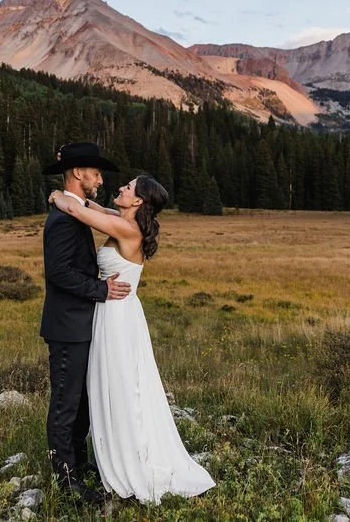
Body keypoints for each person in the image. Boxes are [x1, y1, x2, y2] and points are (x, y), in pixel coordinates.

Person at [49, 173, 216, 504]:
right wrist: (74, 198)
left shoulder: (128, 229)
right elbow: (91, 205)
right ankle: (111, 451)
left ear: (138, 201)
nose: (121, 188)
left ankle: (129, 458)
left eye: (128, 187)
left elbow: (80, 212)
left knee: (122, 386)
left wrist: (56, 196)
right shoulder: (120, 219)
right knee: (117, 384)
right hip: (115, 312)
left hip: (117, 316)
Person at [40, 142, 128, 504]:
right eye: (95, 173)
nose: (100, 179)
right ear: (78, 173)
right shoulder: (62, 219)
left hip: (81, 325)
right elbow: (58, 272)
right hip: (66, 326)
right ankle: (65, 480)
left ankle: (78, 463)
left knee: (82, 401)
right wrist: (100, 289)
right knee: (66, 402)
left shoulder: (72, 210)